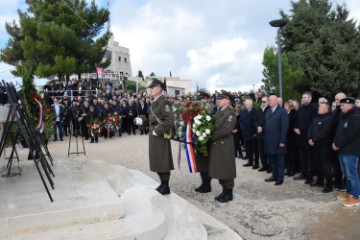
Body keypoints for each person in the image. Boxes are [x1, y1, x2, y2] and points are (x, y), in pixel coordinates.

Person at [209, 90, 236, 203]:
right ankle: (224, 191)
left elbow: (226, 130)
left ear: (227, 100)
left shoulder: (230, 112)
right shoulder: (220, 111)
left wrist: (211, 135)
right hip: (218, 144)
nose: (218, 100)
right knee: (220, 168)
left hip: (225, 144)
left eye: (221, 99)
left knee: (226, 168)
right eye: (218, 98)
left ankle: (229, 193)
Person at [148, 79, 175, 195]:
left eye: (153, 88)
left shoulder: (164, 102)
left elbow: (170, 119)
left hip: (160, 136)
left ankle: (166, 185)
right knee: (157, 160)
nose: (151, 90)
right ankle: (162, 183)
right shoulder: (156, 101)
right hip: (154, 136)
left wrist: (157, 131)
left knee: (162, 160)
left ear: (159, 88)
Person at [333, 97, 360, 207]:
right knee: (347, 173)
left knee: (352, 174)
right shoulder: (345, 117)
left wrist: (338, 144)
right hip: (343, 149)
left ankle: (355, 196)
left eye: (343, 105)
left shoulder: (355, 117)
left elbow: (349, 135)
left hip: (351, 150)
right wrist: (335, 142)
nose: (341, 107)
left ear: (349, 105)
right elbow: (340, 132)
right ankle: (349, 192)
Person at [307, 101, 334, 193]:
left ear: (327, 108)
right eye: (319, 106)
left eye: (322, 107)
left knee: (326, 166)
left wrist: (314, 140)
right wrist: (309, 138)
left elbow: (324, 132)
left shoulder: (329, 119)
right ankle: (319, 181)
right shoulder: (316, 118)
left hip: (325, 146)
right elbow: (310, 129)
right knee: (318, 164)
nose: (319, 108)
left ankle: (329, 185)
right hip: (315, 146)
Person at [264, 94, 289, 186]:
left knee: (279, 160)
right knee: (272, 160)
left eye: (270, 100)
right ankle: (274, 175)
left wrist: (282, 141)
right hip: (269, 141)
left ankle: (280, 178)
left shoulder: (282, 112)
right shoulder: (268, 111)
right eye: (268, 100)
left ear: (276, 101)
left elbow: (285, 127)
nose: (269, 101)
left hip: (278, 141)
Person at [293, 91, 318, 184]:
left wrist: (301, 129)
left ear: (310, 98)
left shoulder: (314, 109)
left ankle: (310, 176)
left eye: (305, 97)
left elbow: (312, 123)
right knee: (302, 158)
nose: (303, 99)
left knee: (310, 159)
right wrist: (295, 128)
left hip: (308, 138)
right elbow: (296, 120)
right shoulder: (300, 109)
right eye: (302, 97)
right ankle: (303, 173)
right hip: (299, 138)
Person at [194, 91, 213, 193]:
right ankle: (204, 183)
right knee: (200, 163)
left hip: (206, 141)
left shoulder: (209, 110)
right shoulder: (198, 110)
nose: (199, 102)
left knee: (205, 163)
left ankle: (207, 185)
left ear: (206, 99)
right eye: (198, 100)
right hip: (199, 141)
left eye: (201, 99)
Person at [240, 99, 258, 168]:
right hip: (245, 133)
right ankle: (250, 161)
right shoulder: (243, 111)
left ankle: (256, 163)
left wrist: (255, 132)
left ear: (251, 104)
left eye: (247, 104)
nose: (246, 105)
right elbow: (241, 121)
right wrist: (243, 129)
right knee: (248, 149)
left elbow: (257, 122)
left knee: (255, 150)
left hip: (253, 133)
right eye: (245, 104)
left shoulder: (255, 111)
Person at [254, 96, 270, 172]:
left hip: (267, 134)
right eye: (262, 101)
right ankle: (264, 165)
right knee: (261, 151)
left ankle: (270, 166)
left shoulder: (270, 110)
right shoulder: (258, 110)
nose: (262, 103)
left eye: (264, 101)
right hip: (259, 134)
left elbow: (269, 122)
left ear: (268, 102)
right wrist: (257, 127)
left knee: (268, 151)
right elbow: (255, 120)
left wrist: (262, 128)